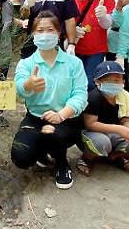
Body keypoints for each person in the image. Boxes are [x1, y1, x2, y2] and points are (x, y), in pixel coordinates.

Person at [13, 11, 87, 189]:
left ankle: (62, 164)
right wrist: (28, 85)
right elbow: (17, 91)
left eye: (49, 30)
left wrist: (61, 115)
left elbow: (80, 94)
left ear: (59, 32)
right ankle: (41, 151)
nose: (44, 34)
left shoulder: (73, 63)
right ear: (33, 34)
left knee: (55, 134)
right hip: (35, 118)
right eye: (39, 30)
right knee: (21, 156)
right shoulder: (26, 63)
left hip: (66, 119)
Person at [77, 61, 129, 175]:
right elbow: (90, 124)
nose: (114, 83)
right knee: (102, 142)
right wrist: (119, 129)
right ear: (97, 82)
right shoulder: (93, 97)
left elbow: (127, 121)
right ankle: (86, 159)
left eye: (117, 80)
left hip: (113, 133)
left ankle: (115, 157)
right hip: (90, 133)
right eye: (109, 80)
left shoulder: (126, 97)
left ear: (123, 81)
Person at [70, 0, 115, 86]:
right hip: (74, 47)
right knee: (75, 81)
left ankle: (89, 106)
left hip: (96, 50)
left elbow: (108, 24)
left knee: (91, 83)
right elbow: (65, 22)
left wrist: (103, 17)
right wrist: (72, 31)